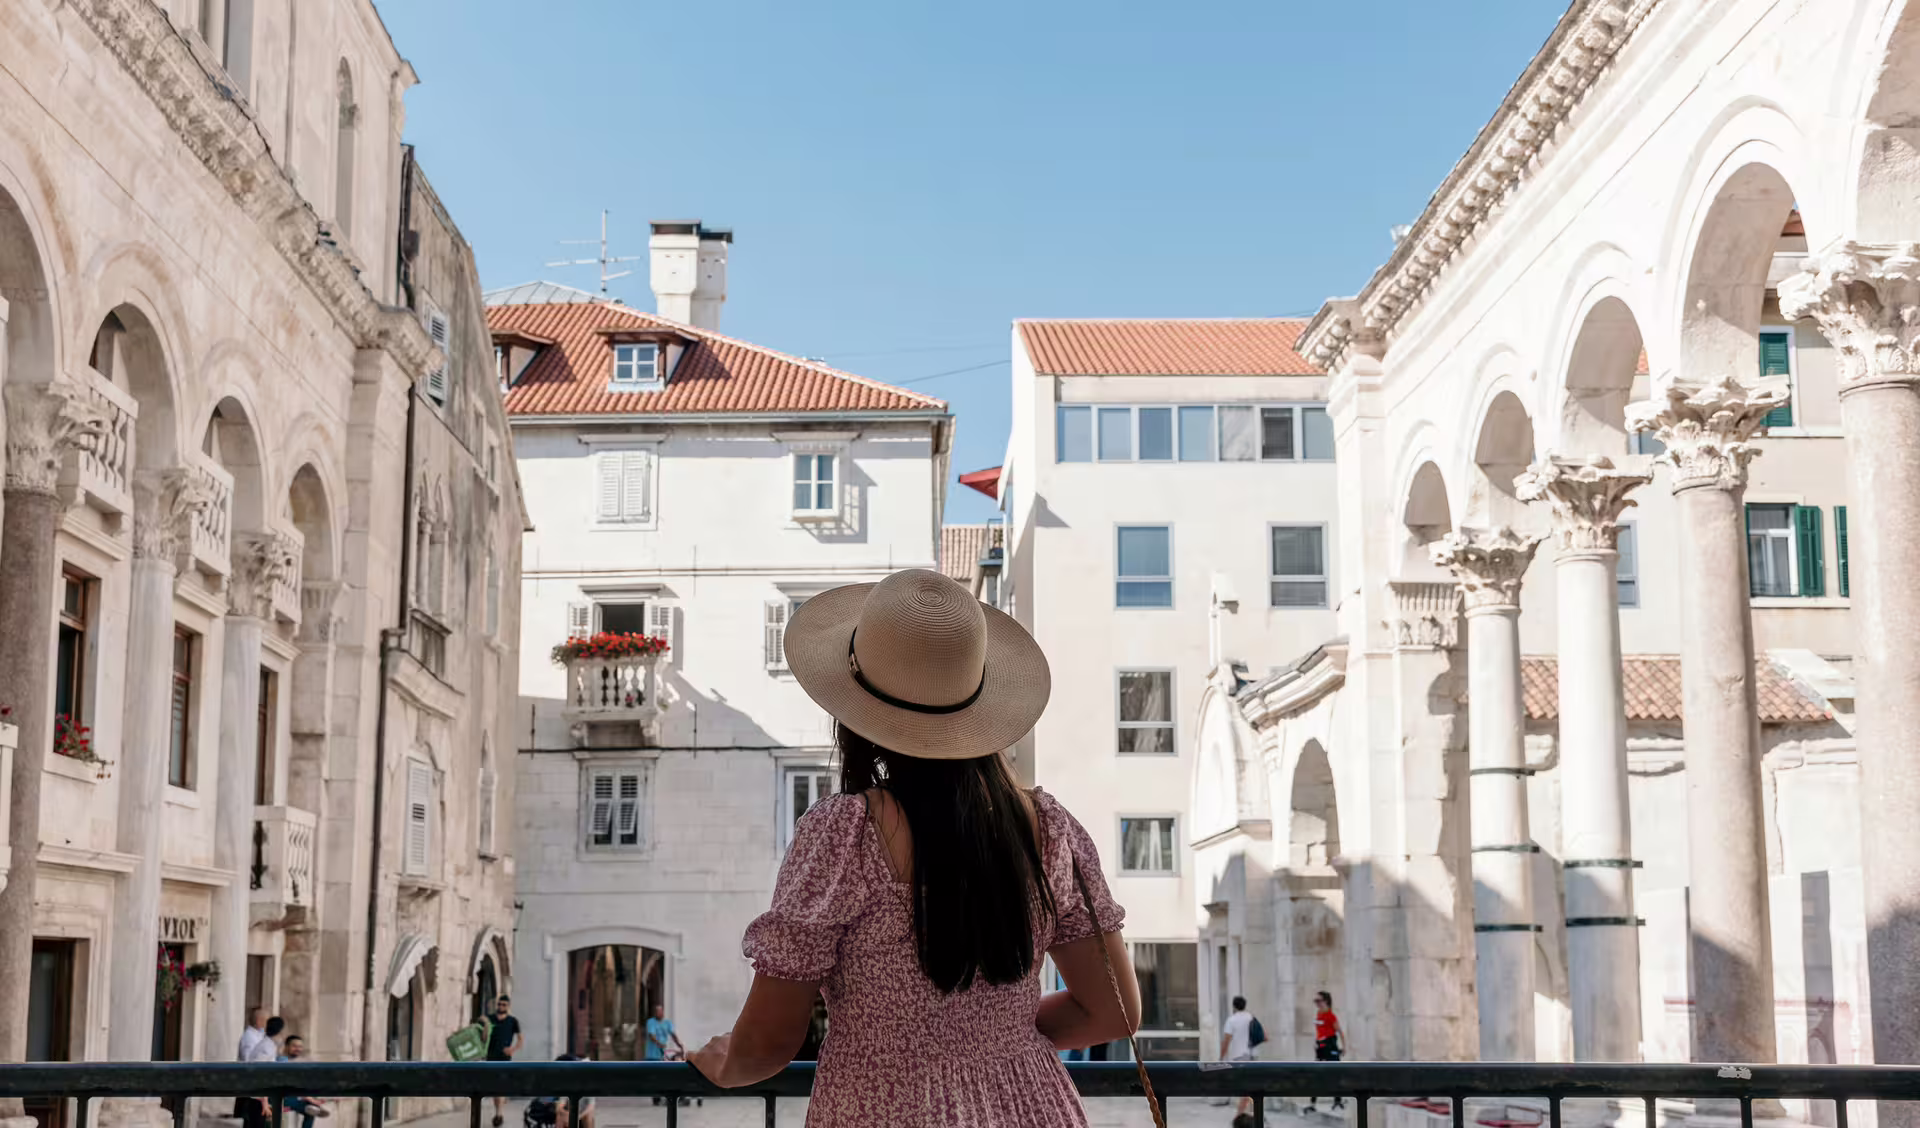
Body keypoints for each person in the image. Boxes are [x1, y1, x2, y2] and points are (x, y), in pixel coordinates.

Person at [688, 569, 1141, 1127]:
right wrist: (991, 1035)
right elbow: (1115, 1011)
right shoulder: (1049, 827)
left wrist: (721, 1061)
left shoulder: (845, 836)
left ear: (856, 709)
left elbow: (766, 1045)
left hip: (886, 1109)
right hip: (1034, 1106)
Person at [278, 1035, 331, 1128]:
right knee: (310, 1108)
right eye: (294, 1046)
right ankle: (314, 1107)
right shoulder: (280, 1061)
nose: (297, 1049)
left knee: (311, 1109)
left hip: (298, 1096)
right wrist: (308, 1098)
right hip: (282, 1097)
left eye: (300, 1046)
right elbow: (287, 1084)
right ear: (286, 1046)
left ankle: (313, 1106)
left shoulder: (303, 1061)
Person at [486, 995, 522, 1127]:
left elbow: (520, 1039)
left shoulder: (513, 1021)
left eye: (504, 1005)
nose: (501, 1007)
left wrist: (512, 1049)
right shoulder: (490, 1019)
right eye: (499, 1004)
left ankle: (499, 1113)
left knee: (499, 1087)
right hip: (491, 1057)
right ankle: (498, 1111)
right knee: (495, 1088)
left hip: (504, 1058)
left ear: (508, 1006)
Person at [1308, 991, 1346, 1113]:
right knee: (1316, 1073)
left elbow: (1339, 1031)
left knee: (1335, 1073)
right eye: (1316, 1001)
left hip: (1330, 1045)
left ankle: (1338, 1101)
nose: (1317, 1004)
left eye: (1319, 1001)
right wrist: (1316, 1041)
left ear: (1326, 1001)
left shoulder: (1331, 1016)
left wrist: (1344, 1047)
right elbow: (1319, 1031)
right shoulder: (1318, 1014)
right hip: (1321, 1046)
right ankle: (1313, 1103)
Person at [1221, 995, 1257, 1118]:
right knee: (1247, 1086)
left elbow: (1226, 1040)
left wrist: (1221, 1057)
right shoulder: (1251, 1018)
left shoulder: (1232, 1020)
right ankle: (1246, 1112)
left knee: (1245, 1087)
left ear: (1234, 1006)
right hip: (1251, 1055)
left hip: (1238, 1057)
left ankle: (1239, 1115)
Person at [644, 1003, 687, 1108]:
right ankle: (655, 1098)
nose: (659, 1013)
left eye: (660, 1011)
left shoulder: (667, 1023)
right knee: (653, 1077)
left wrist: (680, 1045)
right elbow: (651, 1035)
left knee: (662, 1076)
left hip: (662, 1055)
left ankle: (664, 1095)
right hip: (652, 1054)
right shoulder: (651, 1022)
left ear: (663, 1012)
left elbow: (673, 1035)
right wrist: (659, 1043)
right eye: (657, 1011)